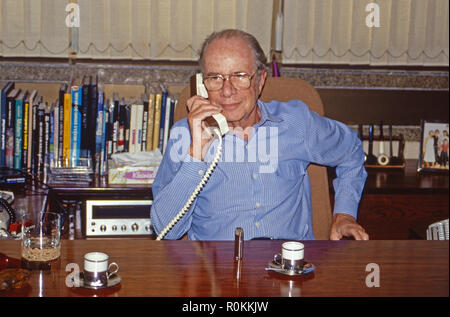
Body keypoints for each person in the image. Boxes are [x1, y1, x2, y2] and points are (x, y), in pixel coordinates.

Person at [151, 29, 369, 241]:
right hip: (216, 269)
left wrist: (345, 214)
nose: (227, 91)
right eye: (215, 77)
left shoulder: (297, 123)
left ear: (260, 80)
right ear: (202, 85)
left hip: (287, 266)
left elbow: (351, 150)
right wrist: (196, 154)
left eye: (240, 76)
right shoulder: (185, 135)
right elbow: (166, 230)